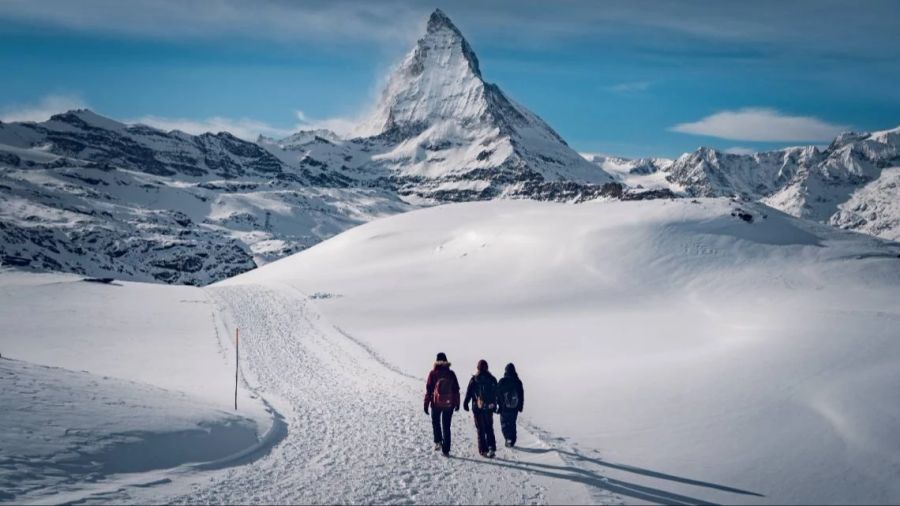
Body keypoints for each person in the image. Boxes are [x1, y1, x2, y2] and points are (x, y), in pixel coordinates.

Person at [424, 352, 460, 457]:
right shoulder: (451, 373)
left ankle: (438, 441)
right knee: (446, 426)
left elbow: (429, 390)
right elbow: (456, 389)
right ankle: (446, 450)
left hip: (436, 404)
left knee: (436, 422)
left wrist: (426, 403)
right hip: (449, 404)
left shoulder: (433, 373)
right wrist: (457, 403)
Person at [463, 359, 498, 458]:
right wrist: (497, 405)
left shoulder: (474, 379)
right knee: (489, 427)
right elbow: (497, 392)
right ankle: (492, 447)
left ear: (478, 367)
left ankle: (483, 450)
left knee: (480, 429)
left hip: (477, 407)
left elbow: (469, 392)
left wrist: (466, 403)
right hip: (489, 408)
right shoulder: (492, 378)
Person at [496, 363, 524, 447]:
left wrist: (499, 405)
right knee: (512, 423)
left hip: (504, 408)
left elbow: (497, 394)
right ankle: (512, 439)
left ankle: (508, 438)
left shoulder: (502, 381)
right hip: (514, 408)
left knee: (504, 423)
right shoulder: (518, 382)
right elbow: (521, 395)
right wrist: (520, 406)